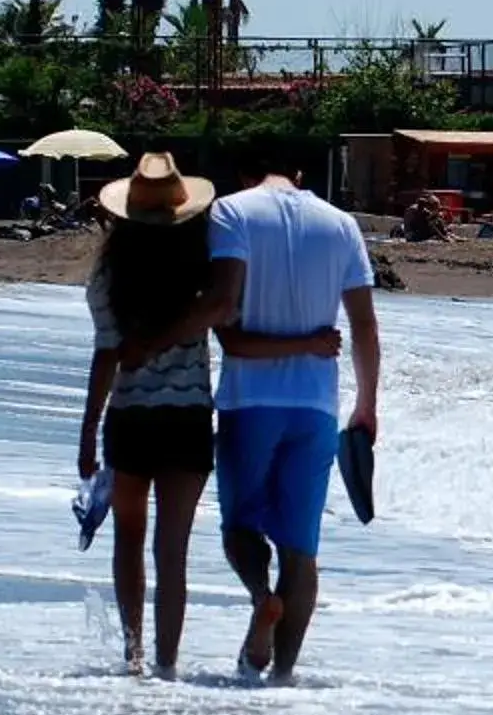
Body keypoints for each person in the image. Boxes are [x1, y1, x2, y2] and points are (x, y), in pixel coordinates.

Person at [77, 154, 335, 678]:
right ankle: (168, 665)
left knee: (129, 538)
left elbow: (108, 356)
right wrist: (307, 342)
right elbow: (232, 333)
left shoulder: (110, 275)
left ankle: (133, 658)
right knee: (172, 552)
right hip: (189, 419)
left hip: (130, 419)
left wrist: (87, 434)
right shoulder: (201, 267)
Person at [136, 162, 380, 682]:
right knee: (302, 550)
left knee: (240, 528)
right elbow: (363, 323)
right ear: (298, 170)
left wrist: (153, 340)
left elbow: (224, 304)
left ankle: (261, 597)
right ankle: (281, 677)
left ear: (247, 173)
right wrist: (367, 405)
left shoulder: (232, 212)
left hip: (250, 402)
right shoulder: (341, 223)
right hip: (316, 405)